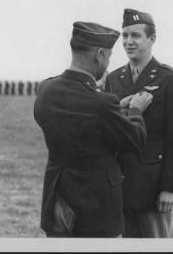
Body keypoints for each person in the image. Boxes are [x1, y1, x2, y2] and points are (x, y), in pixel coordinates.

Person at [34, 21, 153, 238]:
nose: (107, 64)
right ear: (99, 54)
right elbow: (135, 139)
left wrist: (114, 105)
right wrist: (135, 110)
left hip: (58, 200)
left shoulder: (45, 89)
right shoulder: (102, 104)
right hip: (97, 207)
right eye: (108, 57)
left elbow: (79, 112)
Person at [105, 8, 173, 238]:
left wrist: (170, 188)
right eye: (124, 36)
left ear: (152, 39)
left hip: (152, 189)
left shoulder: (171, 81)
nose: (128, 42)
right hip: (119, 184)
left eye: (135, 35)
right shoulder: (113, 79)